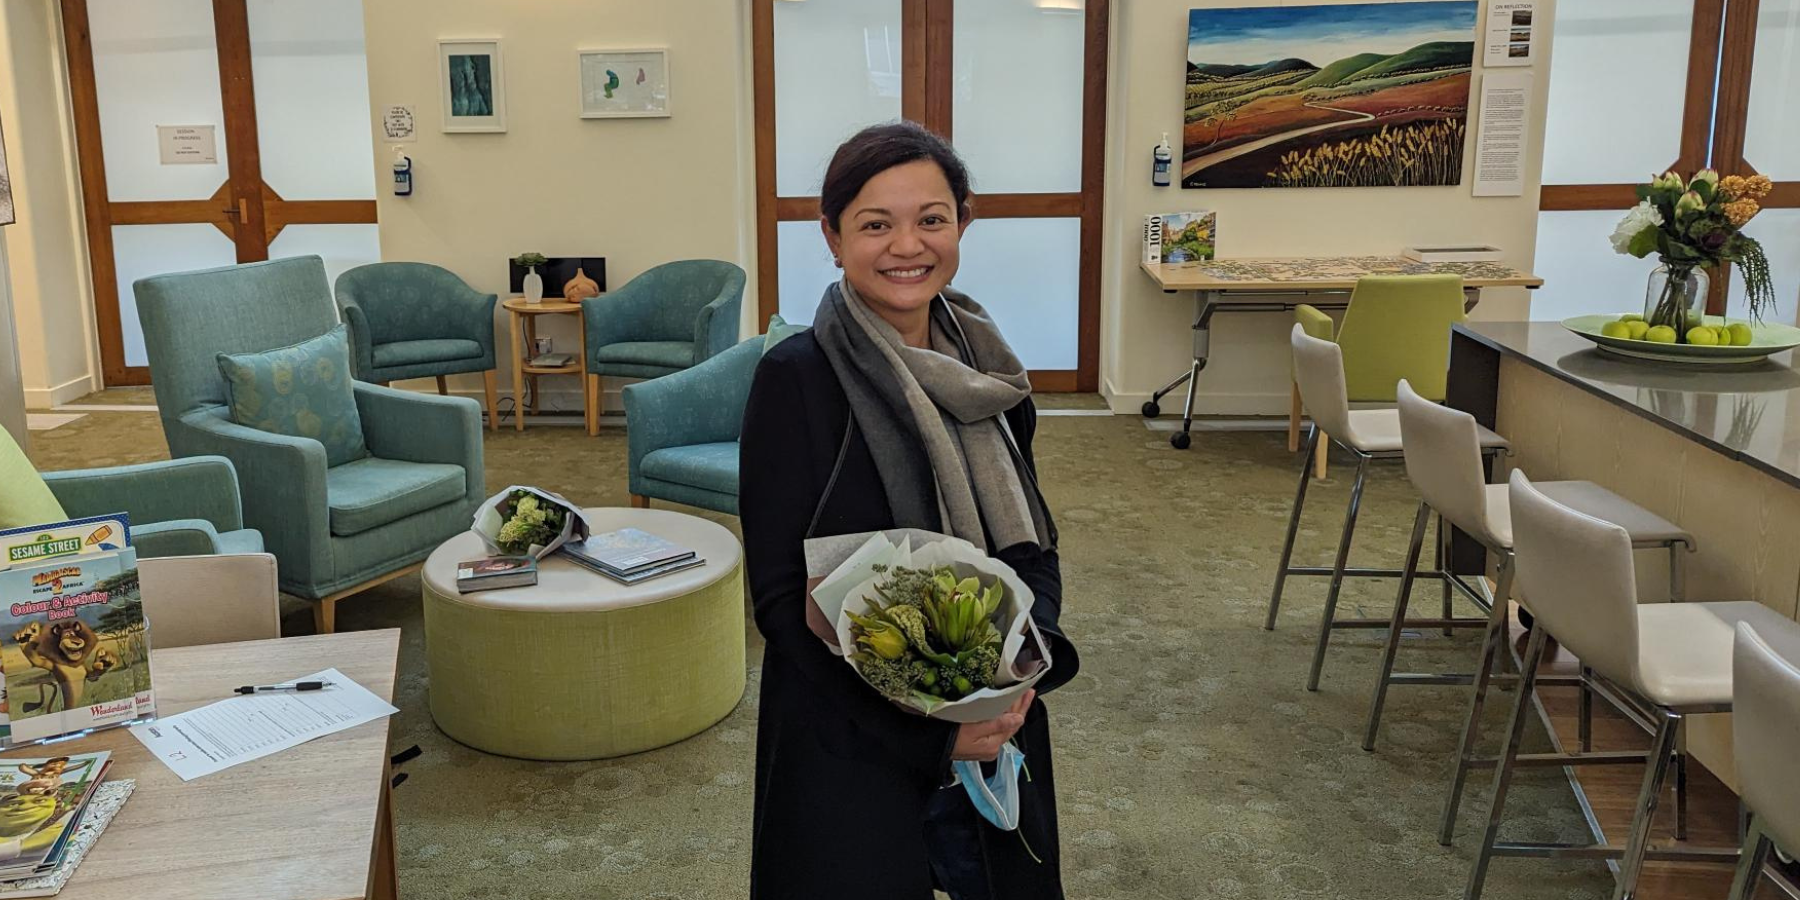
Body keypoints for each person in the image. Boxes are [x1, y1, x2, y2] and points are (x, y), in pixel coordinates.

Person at [740, 121, 1081, 900]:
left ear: (963, 222)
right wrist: (930, 736)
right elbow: (781, 603)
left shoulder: (988, 373)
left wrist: (1025, 668)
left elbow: (1031, 544)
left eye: (931, 219)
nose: (907, 246)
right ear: (832, 237)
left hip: (995, 719)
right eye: (874, 224)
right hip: (852, 738)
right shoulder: (795, 381)